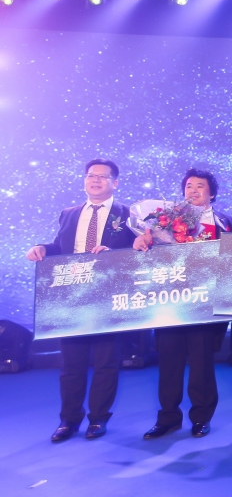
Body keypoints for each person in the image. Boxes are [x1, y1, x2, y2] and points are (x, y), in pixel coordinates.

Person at [25, 159, 134, 442]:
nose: (95, 180)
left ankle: (98, 419)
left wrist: (113, 253)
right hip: (72, 295)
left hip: (108, 293)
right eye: (90, 175)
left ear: (115, 183)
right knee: (71, 362)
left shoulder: (128, 214)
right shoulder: (69, 213)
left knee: (106, 360)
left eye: (102, 176)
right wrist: (41, 248)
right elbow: (60, 246)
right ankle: (69, 419)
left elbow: (137, 252)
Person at [135, 169, 232, 440]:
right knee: (169, 362)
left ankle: (201, 418)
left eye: (200, 186)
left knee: (202, 363)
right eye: (189, 186)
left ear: (212, 194)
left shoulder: (228, 222)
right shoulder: (165, 220)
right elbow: (149, 251)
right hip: (172, 302)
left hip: (206, 304)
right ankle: (167, 418)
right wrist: (142, 239)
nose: (193, 190)